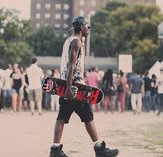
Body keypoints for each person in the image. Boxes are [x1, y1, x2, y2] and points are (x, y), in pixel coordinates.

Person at [48, 16, 119, 157]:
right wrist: (69, 88)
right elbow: (71, 65)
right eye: (88, 26)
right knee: (88, 117)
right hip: (75, 88)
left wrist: (66, 87)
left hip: (67, 85)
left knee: (62, 117)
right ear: (82, 27)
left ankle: (55, 149)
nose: (89, 29)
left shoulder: (68, 41)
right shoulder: (76, 42)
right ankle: (99, 149)